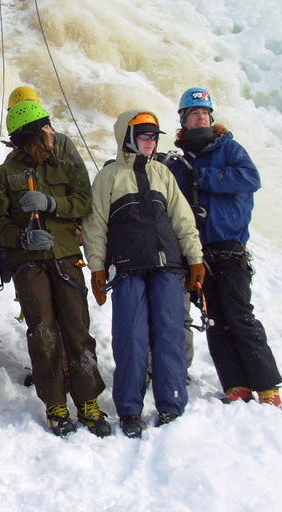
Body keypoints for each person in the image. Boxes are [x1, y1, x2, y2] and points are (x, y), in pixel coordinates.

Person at [0, 101, 109, 438]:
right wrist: (23, 238)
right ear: (31, 136)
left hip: (66, 257)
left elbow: (85, 201)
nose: (53, 133)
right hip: (29, 264)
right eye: (46, 128)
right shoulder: (3, 176)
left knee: (77, 331)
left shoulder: (66, 163)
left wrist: (53, 204)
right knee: (43, 333)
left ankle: (87, 402)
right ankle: (55, 403)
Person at [82, 110, 204, 438]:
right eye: (144, 136)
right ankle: (129, 409)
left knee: (169, 334)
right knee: (130, 338)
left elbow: (182, 219)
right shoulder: (108, 177)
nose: (151, 142)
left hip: (168, 266)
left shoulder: (163, 174)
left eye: (154, 137)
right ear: (128, 137)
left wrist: (195, 259)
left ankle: (171, 403)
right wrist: (96, 267)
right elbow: (95, 226)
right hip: (127, 269)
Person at [169, 88, 282, 408]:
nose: (201, 116)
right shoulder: (179, 162)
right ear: (184, 121)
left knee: (240, 315)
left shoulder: (229, 148)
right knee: (215, 318)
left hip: (229, 247)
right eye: (194, 113)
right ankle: (235, 384)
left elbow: (249, 179)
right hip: (198, 250)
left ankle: (266, 385)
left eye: (205, 112)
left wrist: (202, 177)